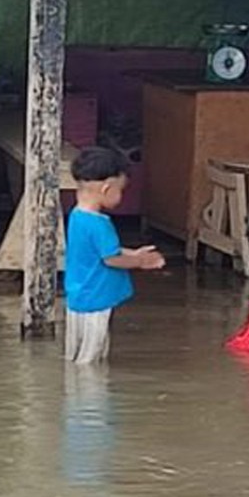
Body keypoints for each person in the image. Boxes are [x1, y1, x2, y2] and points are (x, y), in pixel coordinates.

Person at [64, 147, 164, 364]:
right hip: (97, 298)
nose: (121, 196)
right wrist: (141, 262)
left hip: (78, 296)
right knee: (92, 359)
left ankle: (74, 393)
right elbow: (111, 259)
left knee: (75, 354)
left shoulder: (77, 216)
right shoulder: (100, 224)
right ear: (107, 188)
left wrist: (133, 253)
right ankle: (91, 396)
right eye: (121, 191)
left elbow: (101, 251)